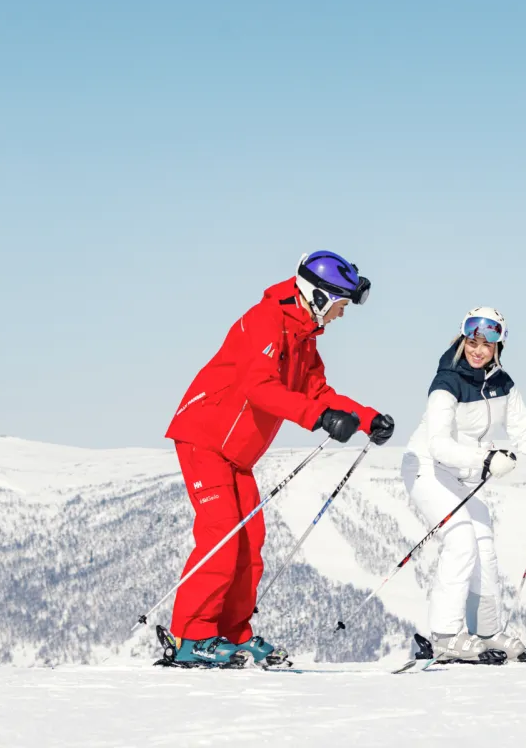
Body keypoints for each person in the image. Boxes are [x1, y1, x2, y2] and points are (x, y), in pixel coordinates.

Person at [164, 250, 395, 667]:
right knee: (221, 536)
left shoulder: (304, 338)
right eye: (340, 306)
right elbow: (260, 388)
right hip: (205, 438)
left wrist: (366, 418)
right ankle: (191, 637)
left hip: (237, 455)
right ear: (320, 296)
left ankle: (231, 634)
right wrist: (319, 418)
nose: (341, 315)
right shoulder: (265, 320)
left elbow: (319, 392)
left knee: (250, 544)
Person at [401, 307, 526, 663]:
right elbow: (438, 443)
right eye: (472, 341)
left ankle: (487, 633)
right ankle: (446, 636)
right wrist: (483, 460)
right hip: (427, 468)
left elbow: (524, 434)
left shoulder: (502, 384)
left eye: (487, 343)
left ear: (500, 345)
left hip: (463, 474)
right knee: (461, 538)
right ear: (463, 339)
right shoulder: (447, 382)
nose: (477, 349)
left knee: (484, 544)